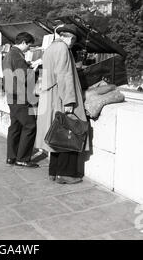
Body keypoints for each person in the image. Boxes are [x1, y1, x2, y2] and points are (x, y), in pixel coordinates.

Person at [35, 24, 88, 184]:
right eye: (73, 40)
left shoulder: (50, 48)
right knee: (69, 133)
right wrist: (69, 101)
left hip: (50, 97)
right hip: (60, 97)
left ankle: (54, 171)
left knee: (56, 135)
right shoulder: (63, 49)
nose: (73, 43)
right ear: (70, 37)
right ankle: (66, 174)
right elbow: (64, 75)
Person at [2, 32, 38, 168]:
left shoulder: (9, 54)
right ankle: (22, 158)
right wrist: (33, 69)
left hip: (11, 94)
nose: (29, 48)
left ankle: (11, 156)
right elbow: (23, 76)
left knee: (15, 126)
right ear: (23, 42)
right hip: (19, 94)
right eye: (28, 45)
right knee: (30, 125)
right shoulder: (17, 55)